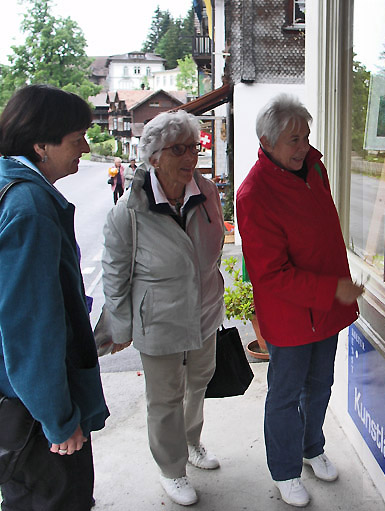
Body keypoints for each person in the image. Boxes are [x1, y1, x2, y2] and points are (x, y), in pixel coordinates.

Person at [236, 94, 363, 507]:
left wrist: (334, 291)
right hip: (291, 316)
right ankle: (285, 470)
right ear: (266, 141)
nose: (303, 146)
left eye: (306, 136)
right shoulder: (253, 194)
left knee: (321, 384)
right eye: (293, 139)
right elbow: (271, 275)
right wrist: (333, 291)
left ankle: (311, 448)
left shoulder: (314, 168)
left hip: (325, 308)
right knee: (286, 395)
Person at [101, 110, 225, 507]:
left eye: (194, 147)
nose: (191, 156)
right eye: (178, 150)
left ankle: (190, 443)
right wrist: (121, 328)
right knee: (165, 397)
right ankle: (171, 469)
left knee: (199, 382)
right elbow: (115, 273)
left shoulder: (205, 193)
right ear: (154, 157)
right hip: (159, 320)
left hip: (204, 312)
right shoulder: (130, 211)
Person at [0, 84, 110, 510]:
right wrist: (59, 420)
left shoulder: (12, 184)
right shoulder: (29, 206)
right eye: (76, 137)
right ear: (40, 144)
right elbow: (31, 327)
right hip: (31, 409)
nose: (85, 145)